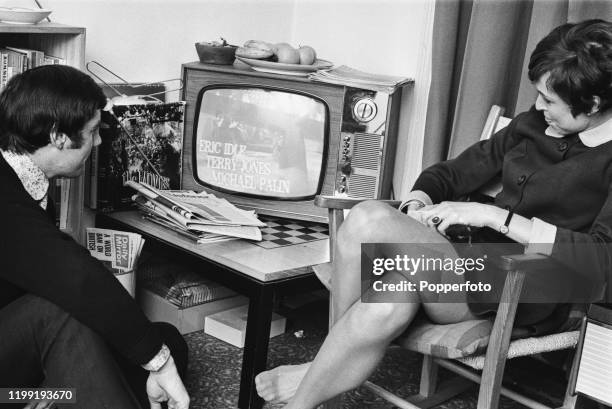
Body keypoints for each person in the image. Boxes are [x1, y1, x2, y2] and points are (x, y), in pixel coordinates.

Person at [255, 19, 612, 408]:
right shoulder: (531, 124)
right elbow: (453, 173)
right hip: (466, 263)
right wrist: (417, 205)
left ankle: (318, 365)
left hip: (526, 286)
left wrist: (496, 217)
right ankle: (306, 401)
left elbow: (600, 260)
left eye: (549, 99)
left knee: (370, 218)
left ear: (592, 105)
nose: (538, 106)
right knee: (389, 301)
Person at [0, 65, 190, 409]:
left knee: (168, 341)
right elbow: (71, 276)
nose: (99, 141)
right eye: (92, 131)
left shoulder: (25, 176)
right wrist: (156, 361)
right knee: (62, 312)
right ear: (59, 136)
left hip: (17, 364)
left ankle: (57, 395)